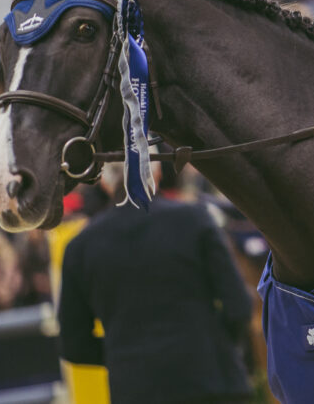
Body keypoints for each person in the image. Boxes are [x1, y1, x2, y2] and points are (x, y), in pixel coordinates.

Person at [58, 164, 254, 403]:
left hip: (136, 389)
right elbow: (239, 307)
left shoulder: (80, 248)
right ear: (157, 172)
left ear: (104, 182)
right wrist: (213, 343)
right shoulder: (195, 219)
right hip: (212, 380)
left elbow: (73, 344)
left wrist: (122, 354)